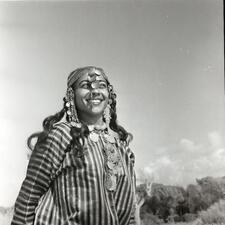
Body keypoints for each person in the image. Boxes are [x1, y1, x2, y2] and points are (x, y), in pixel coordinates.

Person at [11, 66, 137, 225]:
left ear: (109, 94)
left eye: (102, 86)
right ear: (71, 94)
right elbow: (28, 196)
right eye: (85, 85)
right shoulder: (60, 135)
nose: (95, 91)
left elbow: (129, 210)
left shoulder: (122, 146)